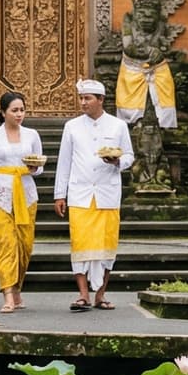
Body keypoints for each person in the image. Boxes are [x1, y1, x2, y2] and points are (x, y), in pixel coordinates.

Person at [54, 78, 134, 312]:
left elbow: (130, 155)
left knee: (107, 245)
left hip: (107, 192)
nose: (83, 103)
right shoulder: (72, 126)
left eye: (87, 98)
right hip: (80, 193)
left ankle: (100, 295)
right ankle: (83, 295)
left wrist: (118, 160)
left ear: (101, 100)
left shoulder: (118, 126)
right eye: (81, 98)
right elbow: (64, 161)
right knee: (80, 244)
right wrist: (60, 194)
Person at [0, 91, 44, 313]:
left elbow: (39, 166)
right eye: (14, 110)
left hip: (26, 193)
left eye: (22, 110)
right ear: (3, 113)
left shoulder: (32, 134)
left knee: (24, 245)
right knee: (6, 244)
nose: (19, 114)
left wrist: (34, 168)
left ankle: (17, 288)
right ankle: (8, 294)